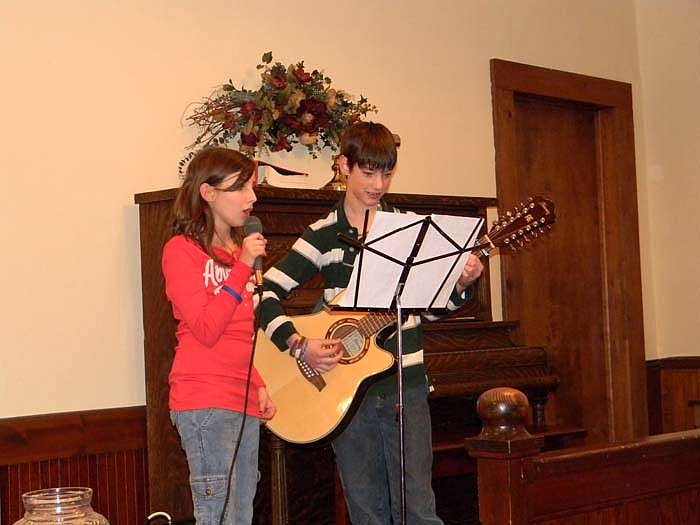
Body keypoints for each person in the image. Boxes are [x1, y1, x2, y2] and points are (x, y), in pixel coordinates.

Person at [255, 121, 484, 524]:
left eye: (387, 173)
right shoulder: (324, 234)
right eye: (369, 172)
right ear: (344, 166)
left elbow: (428, 308)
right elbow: (265, 293)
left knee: (419, 510)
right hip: (345, 397)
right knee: (367, 512)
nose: (378, 184)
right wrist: (298, 343)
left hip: (406, 388)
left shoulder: (411, 231)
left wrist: (461, 283)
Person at [162, 147, 277, 525]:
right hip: (205, 399)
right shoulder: (181, 252)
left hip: (240, 396)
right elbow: (208, 329)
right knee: (218, 516)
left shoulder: (233, 254)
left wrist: (257, 383)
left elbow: (239, 333)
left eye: (252, 188)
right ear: (208, 194)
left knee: (240, 515)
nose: (252, 198)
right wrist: (243, 266)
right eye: (239, 188)